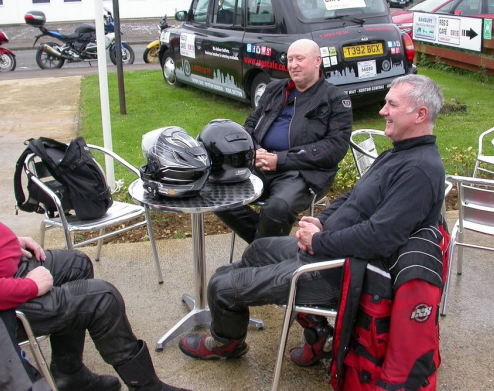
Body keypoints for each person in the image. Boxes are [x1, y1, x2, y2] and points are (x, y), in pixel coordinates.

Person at [179, 74, 446, 388]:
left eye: (391, 104)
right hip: (332, 249)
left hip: (344, 273)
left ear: (420, 115)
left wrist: (319, 241)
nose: (382, 111)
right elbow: (354, 197)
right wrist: (321, 221)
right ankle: (318, 332)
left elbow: (379, 238)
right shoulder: (400, 152)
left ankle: (227, 343)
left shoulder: (418, 170)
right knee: (256, 251)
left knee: (222, 284)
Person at [0, 208, 186, 391]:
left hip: (1, 269)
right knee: (102, 300)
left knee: (77, 264)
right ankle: (149, 388)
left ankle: (69, 374)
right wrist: (30, 286)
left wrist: (4, 242)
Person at [214, 38, 353, 244]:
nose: (293, 64)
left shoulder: (336, 99)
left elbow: (335, 148)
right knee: (217, 190)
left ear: (317, 61)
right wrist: (256, 151)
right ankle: (265, 249)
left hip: (304, 172)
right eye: (289, 59)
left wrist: (279, 159)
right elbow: (250, 125)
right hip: (261, 163)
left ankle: (260, 256)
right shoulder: (274, 90)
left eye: (300, 58)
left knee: (277, 208)